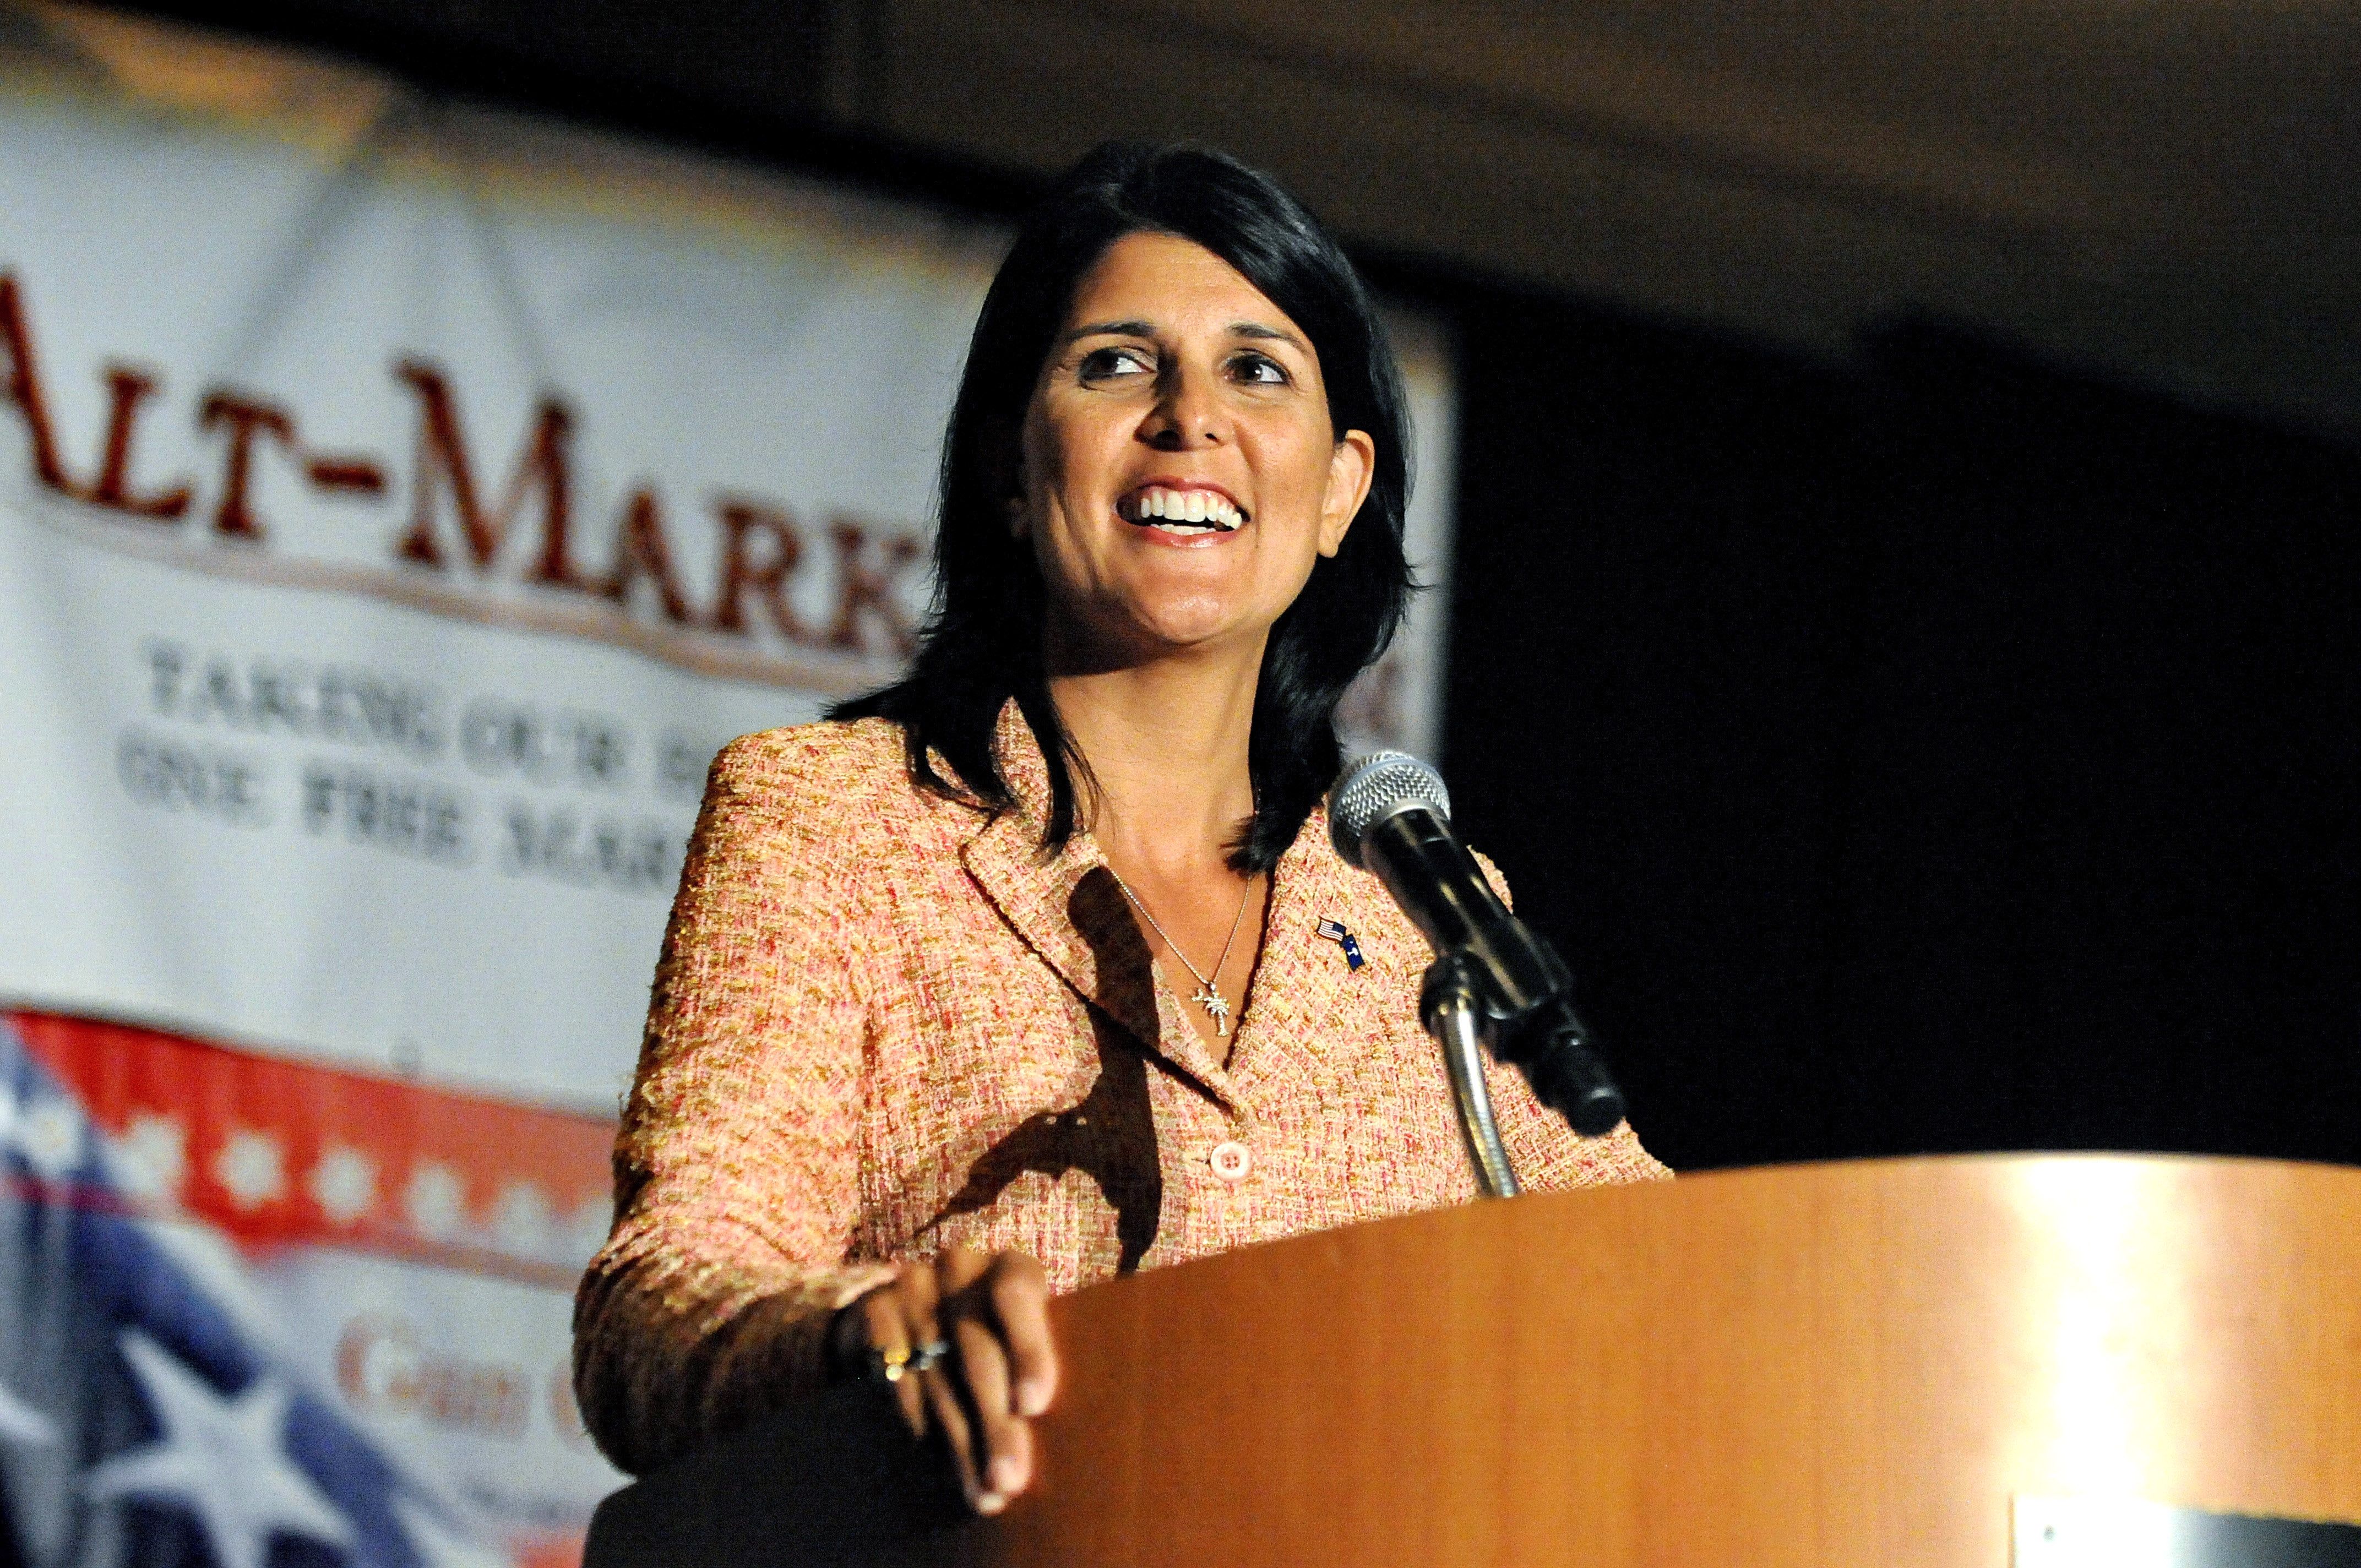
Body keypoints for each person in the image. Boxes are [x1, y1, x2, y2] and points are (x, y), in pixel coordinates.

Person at [572, 140, 1668, 1513]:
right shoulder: (834, 819)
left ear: (1338, 488)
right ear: (1009, 465)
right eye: (1114, 364)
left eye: (1256, 370)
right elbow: (659, 1307)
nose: (1188, 417)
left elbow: (1669, 1283)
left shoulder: (1415, 903)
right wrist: (865, 1330)